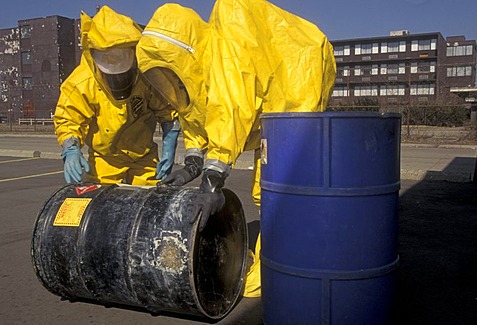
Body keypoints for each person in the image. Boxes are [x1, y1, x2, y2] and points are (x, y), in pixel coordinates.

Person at [136, 0, 336, 297]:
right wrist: (192, 162)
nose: (167, 86)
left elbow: (231, 107)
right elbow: (198, 113)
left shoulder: (227, 47)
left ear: (186, 54)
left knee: (276, 188)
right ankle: (285, 253)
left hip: (298, 79)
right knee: (270, 188)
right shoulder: (198, 70)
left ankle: (280, 267)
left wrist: (212, 178)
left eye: (168, 75)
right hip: (264, 104)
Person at [54, 5, 178, 186]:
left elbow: (168, 109)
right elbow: (69, 119)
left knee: (148, 204)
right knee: (103, 206)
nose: (118, 79)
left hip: (143, 157)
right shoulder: (81, 83)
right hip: (105, 160)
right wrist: (71, 149)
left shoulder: (146, 76)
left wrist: (170, 144)